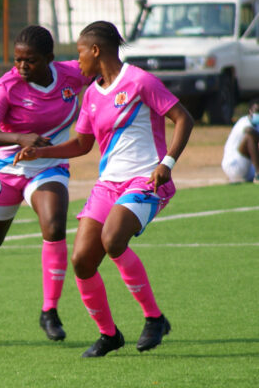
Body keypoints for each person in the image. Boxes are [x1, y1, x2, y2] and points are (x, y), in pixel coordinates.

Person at [15, 21, 194, 357]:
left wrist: (166, 164)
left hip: (145, 180)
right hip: (108, 184)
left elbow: (183, 118)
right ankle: (109, 335)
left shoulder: (139, 81)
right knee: (82, 260)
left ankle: (154, 318)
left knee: (113, 239)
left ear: (96, 50)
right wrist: (41, 152)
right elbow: (81, 144)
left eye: (80, 53)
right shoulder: (91, 95)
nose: (77, 61)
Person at [0, 26, 92, 345]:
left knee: (54, 226)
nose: (22, 66)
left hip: (48, 165)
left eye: (30, 60)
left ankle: (49, 311)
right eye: (17, 59)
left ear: (50, 59)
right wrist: (18, 137)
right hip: (5, 170)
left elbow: (103, 69)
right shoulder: (5, 88)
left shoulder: (71, 74)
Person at [221, 98, 259, 183]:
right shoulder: (244, 122)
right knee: (250, 137)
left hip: (246, 167)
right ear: (250, 111)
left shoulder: (257, 124)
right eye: (257, 111)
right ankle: (258, 174)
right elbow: (249, 131)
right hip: (233, 165)